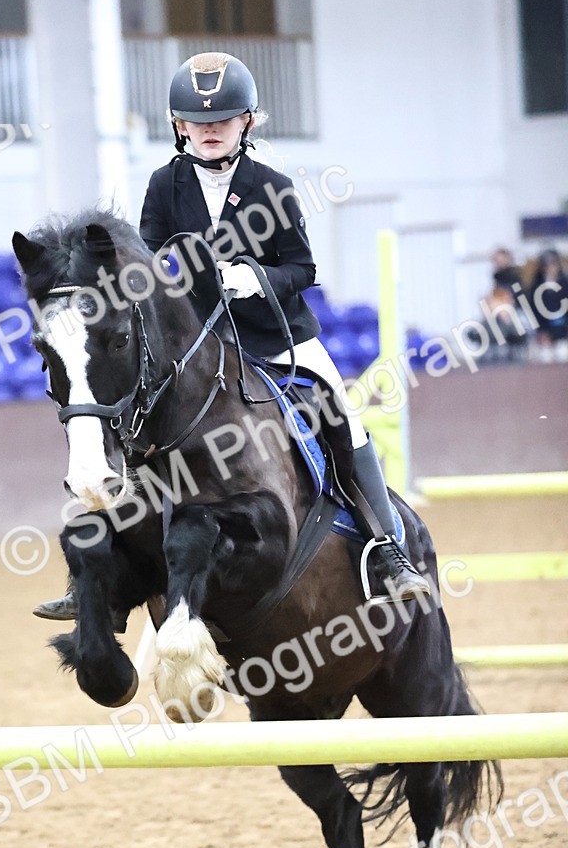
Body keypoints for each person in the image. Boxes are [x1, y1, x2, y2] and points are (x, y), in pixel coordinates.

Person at [36, 52, 429, 622]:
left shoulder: (271, 185)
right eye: (199, 121)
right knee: (126, 417)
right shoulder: (164, 184)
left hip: (276, 335)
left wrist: (252, 277)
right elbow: (146, 260)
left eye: (224, 119)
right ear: (180, 127)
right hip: (199, 342)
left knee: (346, 416)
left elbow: (303, 269)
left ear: (246, 122)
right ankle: (94, 573)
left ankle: (387, 549)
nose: (211, 129)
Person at [528, 248, 568, 362]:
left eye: (553, 264)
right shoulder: (537, 286)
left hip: (563, 333)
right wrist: (541, 332)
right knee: (545, 356)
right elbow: (534, 312)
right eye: (547, 265)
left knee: (563, 354)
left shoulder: (565, 284)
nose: (550, 268)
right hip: (545, 333)